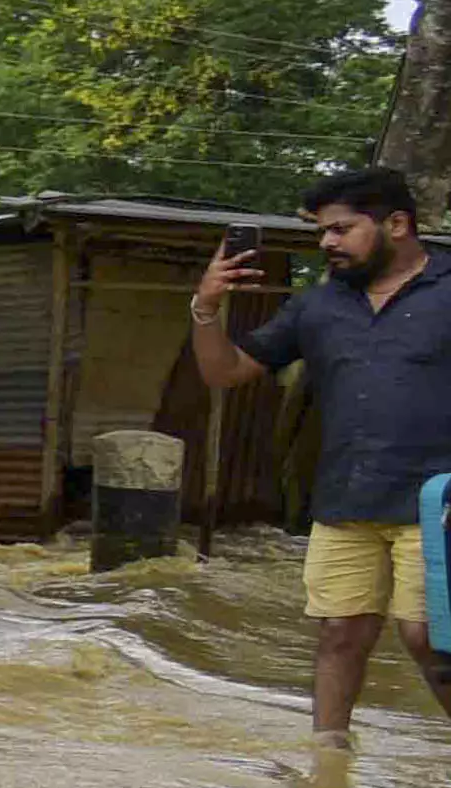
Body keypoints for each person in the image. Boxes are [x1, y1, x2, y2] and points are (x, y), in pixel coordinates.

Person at [190, 163, 450, 750]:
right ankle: (327, 765)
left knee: (428, 636)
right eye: (322, 232)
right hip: (344, 499)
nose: (327, 243)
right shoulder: (318, 307)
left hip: (438, 500)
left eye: (341, 229)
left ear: (399, 224)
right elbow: (224, 373)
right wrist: (206, 308)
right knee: (340, 633)